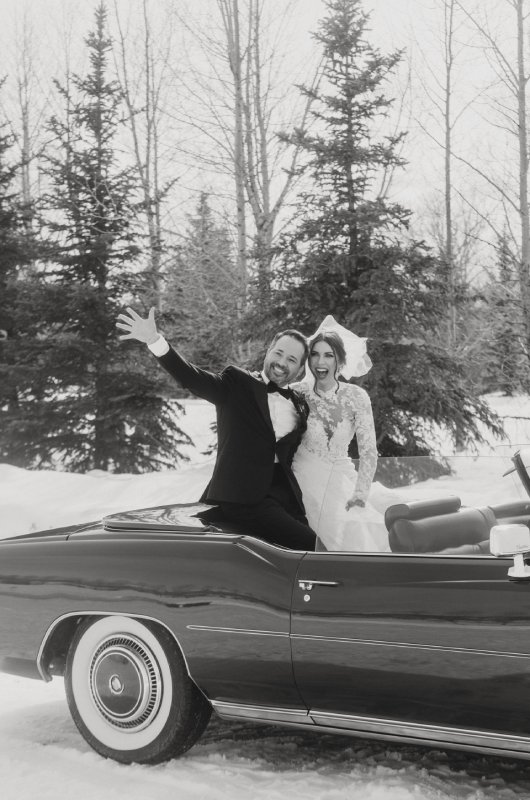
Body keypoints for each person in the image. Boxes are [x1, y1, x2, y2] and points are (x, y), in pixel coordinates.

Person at [116, 307, 317, 551]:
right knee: (311, 545)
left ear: (299, 370)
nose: (282, 363)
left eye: (292, 360)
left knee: (309, 548)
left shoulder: (299, 402)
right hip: (242, 499)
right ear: (269, 351)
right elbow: (192, 377)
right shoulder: (237, 383)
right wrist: (155, 341)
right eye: (279, 353)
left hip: (285, 498)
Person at [291, 315, 391, 552]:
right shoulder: (296, 393)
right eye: (314, 354)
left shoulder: (356, 396)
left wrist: (360, 492)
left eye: (328, 355)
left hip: (342, 478)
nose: (320, 361)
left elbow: (368, 451)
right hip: (303, 481)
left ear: (340, 360)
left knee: (367, 526)